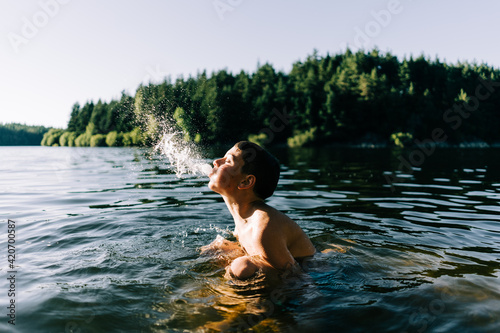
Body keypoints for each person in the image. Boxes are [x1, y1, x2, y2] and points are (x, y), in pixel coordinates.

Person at [201, 141, 316, 280]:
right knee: (216, 249)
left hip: (313, 270)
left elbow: (298, 279)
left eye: (228, 161)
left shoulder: (263, 227)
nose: (216, 161)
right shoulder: (244, 219)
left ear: (245, 182)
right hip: (293, 264)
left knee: (241, 267)